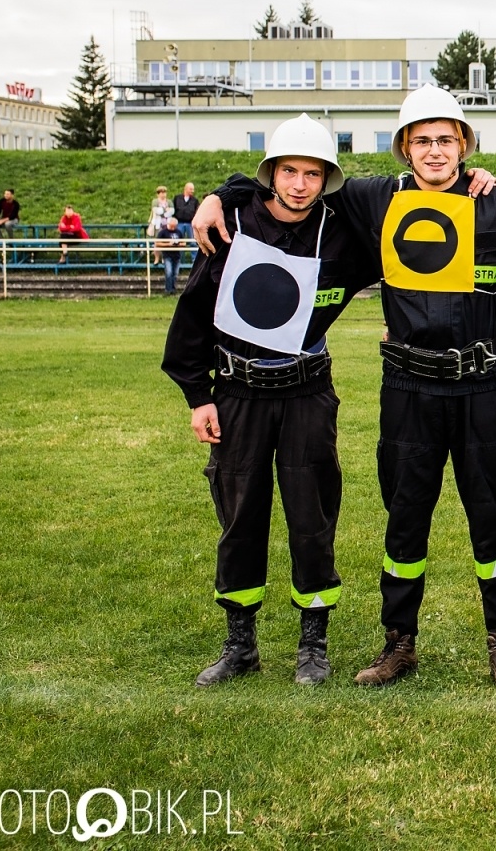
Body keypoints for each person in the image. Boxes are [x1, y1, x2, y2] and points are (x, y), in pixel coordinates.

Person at [194, 86, 496, 688]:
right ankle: (399, 644)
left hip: (480, 387)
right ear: (404, 148)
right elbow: (296, 187)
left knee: (492, 523)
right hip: (408, 389)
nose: (436, 151)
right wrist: (220, 196)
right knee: (405, 522)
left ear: (465, 144)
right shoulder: (373, 198)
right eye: (422, 140)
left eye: (447, 139)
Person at [163, 115, 375, 686]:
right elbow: (193, 314)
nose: (300, 184)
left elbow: (405, 254)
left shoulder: (343, 233)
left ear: (326, 177)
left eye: (312, 173)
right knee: (240, 517)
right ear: (271, 175)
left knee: (312, 514)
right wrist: (197, 396)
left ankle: (313, 640)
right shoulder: (233, 226)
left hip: (307, 391)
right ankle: (240, 644)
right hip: (237, 394)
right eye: (289, 171)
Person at [157, 217, 184, 293]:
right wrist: (168, 244)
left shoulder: (178, 232)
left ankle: (173, 288)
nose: (173, 228)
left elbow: (184, 242)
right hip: (167, 255)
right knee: (169, 273)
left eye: (174, 226)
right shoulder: (163, 232)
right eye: (172, 226)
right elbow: (157, 243)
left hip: (177, 255)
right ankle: (168, 289)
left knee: (175, 274)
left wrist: (178, 244)